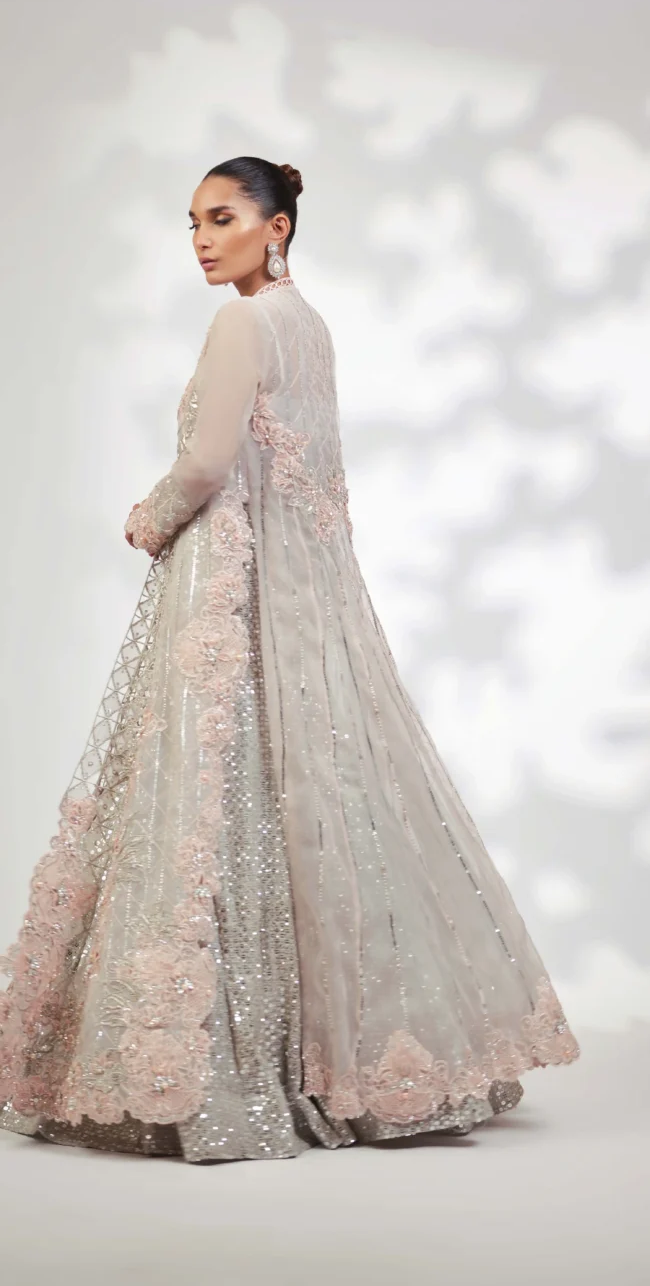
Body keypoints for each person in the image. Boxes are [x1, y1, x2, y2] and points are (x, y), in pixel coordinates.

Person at [0, 156, 579, 1163]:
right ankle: (338, 1057)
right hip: (303, 597)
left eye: (222, 218)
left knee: (212, 804)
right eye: (191, 223)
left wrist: (148, 517)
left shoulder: (242, 325)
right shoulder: (308, 325)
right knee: (301, 804)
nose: (201, 240)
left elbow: (208, 463)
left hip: (229, 584)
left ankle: (223, 1067)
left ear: (277, 227)